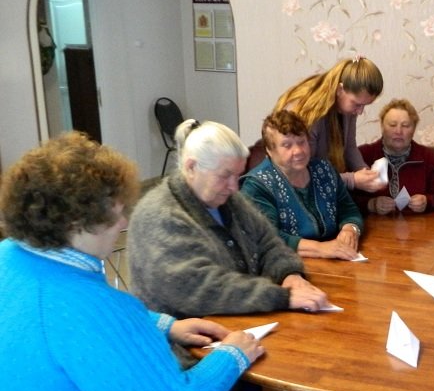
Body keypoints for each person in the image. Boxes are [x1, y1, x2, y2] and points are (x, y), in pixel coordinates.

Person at [0, 132, 272, 391]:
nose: (123, 222)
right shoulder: (92, 305)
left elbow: (76, 330)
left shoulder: (10, 257)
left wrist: (167, 325)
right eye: (115, 214)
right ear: (78, 223)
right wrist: (233, 355)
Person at [129, 119, 328, 317]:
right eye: (225, 176)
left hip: (237, 321)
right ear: (191, 167)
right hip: (181, 333)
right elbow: (201, 288)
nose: (234, 187)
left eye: (237, 175)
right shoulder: (161, 215)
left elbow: (268, 244)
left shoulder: (228, 200)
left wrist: (289, 275)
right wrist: (281, 297)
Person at [240, 110, 364, 260]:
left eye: (301, 142)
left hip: (337, 259)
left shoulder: (324, 170)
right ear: (270, 151)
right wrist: (319, 249)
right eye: (287, 145)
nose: (298, 151)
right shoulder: (256, 186)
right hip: (285, 264)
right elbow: (267, 236)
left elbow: (348, 209)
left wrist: (350, 229)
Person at [273, 55, 385, 192]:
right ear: (340, 90)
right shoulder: (309, 114)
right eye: (357, 104)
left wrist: (366, 174)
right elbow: (303, 174)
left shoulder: (348, 106)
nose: (360, 112)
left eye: (364, 105)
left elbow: (349, 147)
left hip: (326, 185)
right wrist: (353, 180)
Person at [356, 98, 434, 215]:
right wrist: (370, 204)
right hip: (374, 223)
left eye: (405, 125)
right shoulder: (363, 155)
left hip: (416, 223)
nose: (398, 131)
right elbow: (346, 198)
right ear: (382, 127)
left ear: (414, 129)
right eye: (392, 125)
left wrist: (427, 201)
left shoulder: (427, 157)